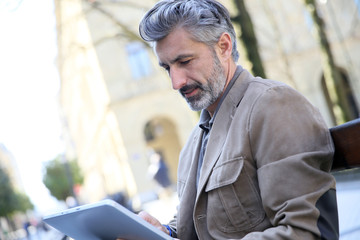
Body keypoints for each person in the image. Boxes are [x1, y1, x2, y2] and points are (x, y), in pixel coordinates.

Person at [137, 0, 339, 239]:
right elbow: (203, 226)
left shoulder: (274, 106)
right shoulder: (194, 142)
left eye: (185, 61)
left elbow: (309, 232)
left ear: (223, 46)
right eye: (167, 68)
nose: (176, 82)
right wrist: (164, 232)